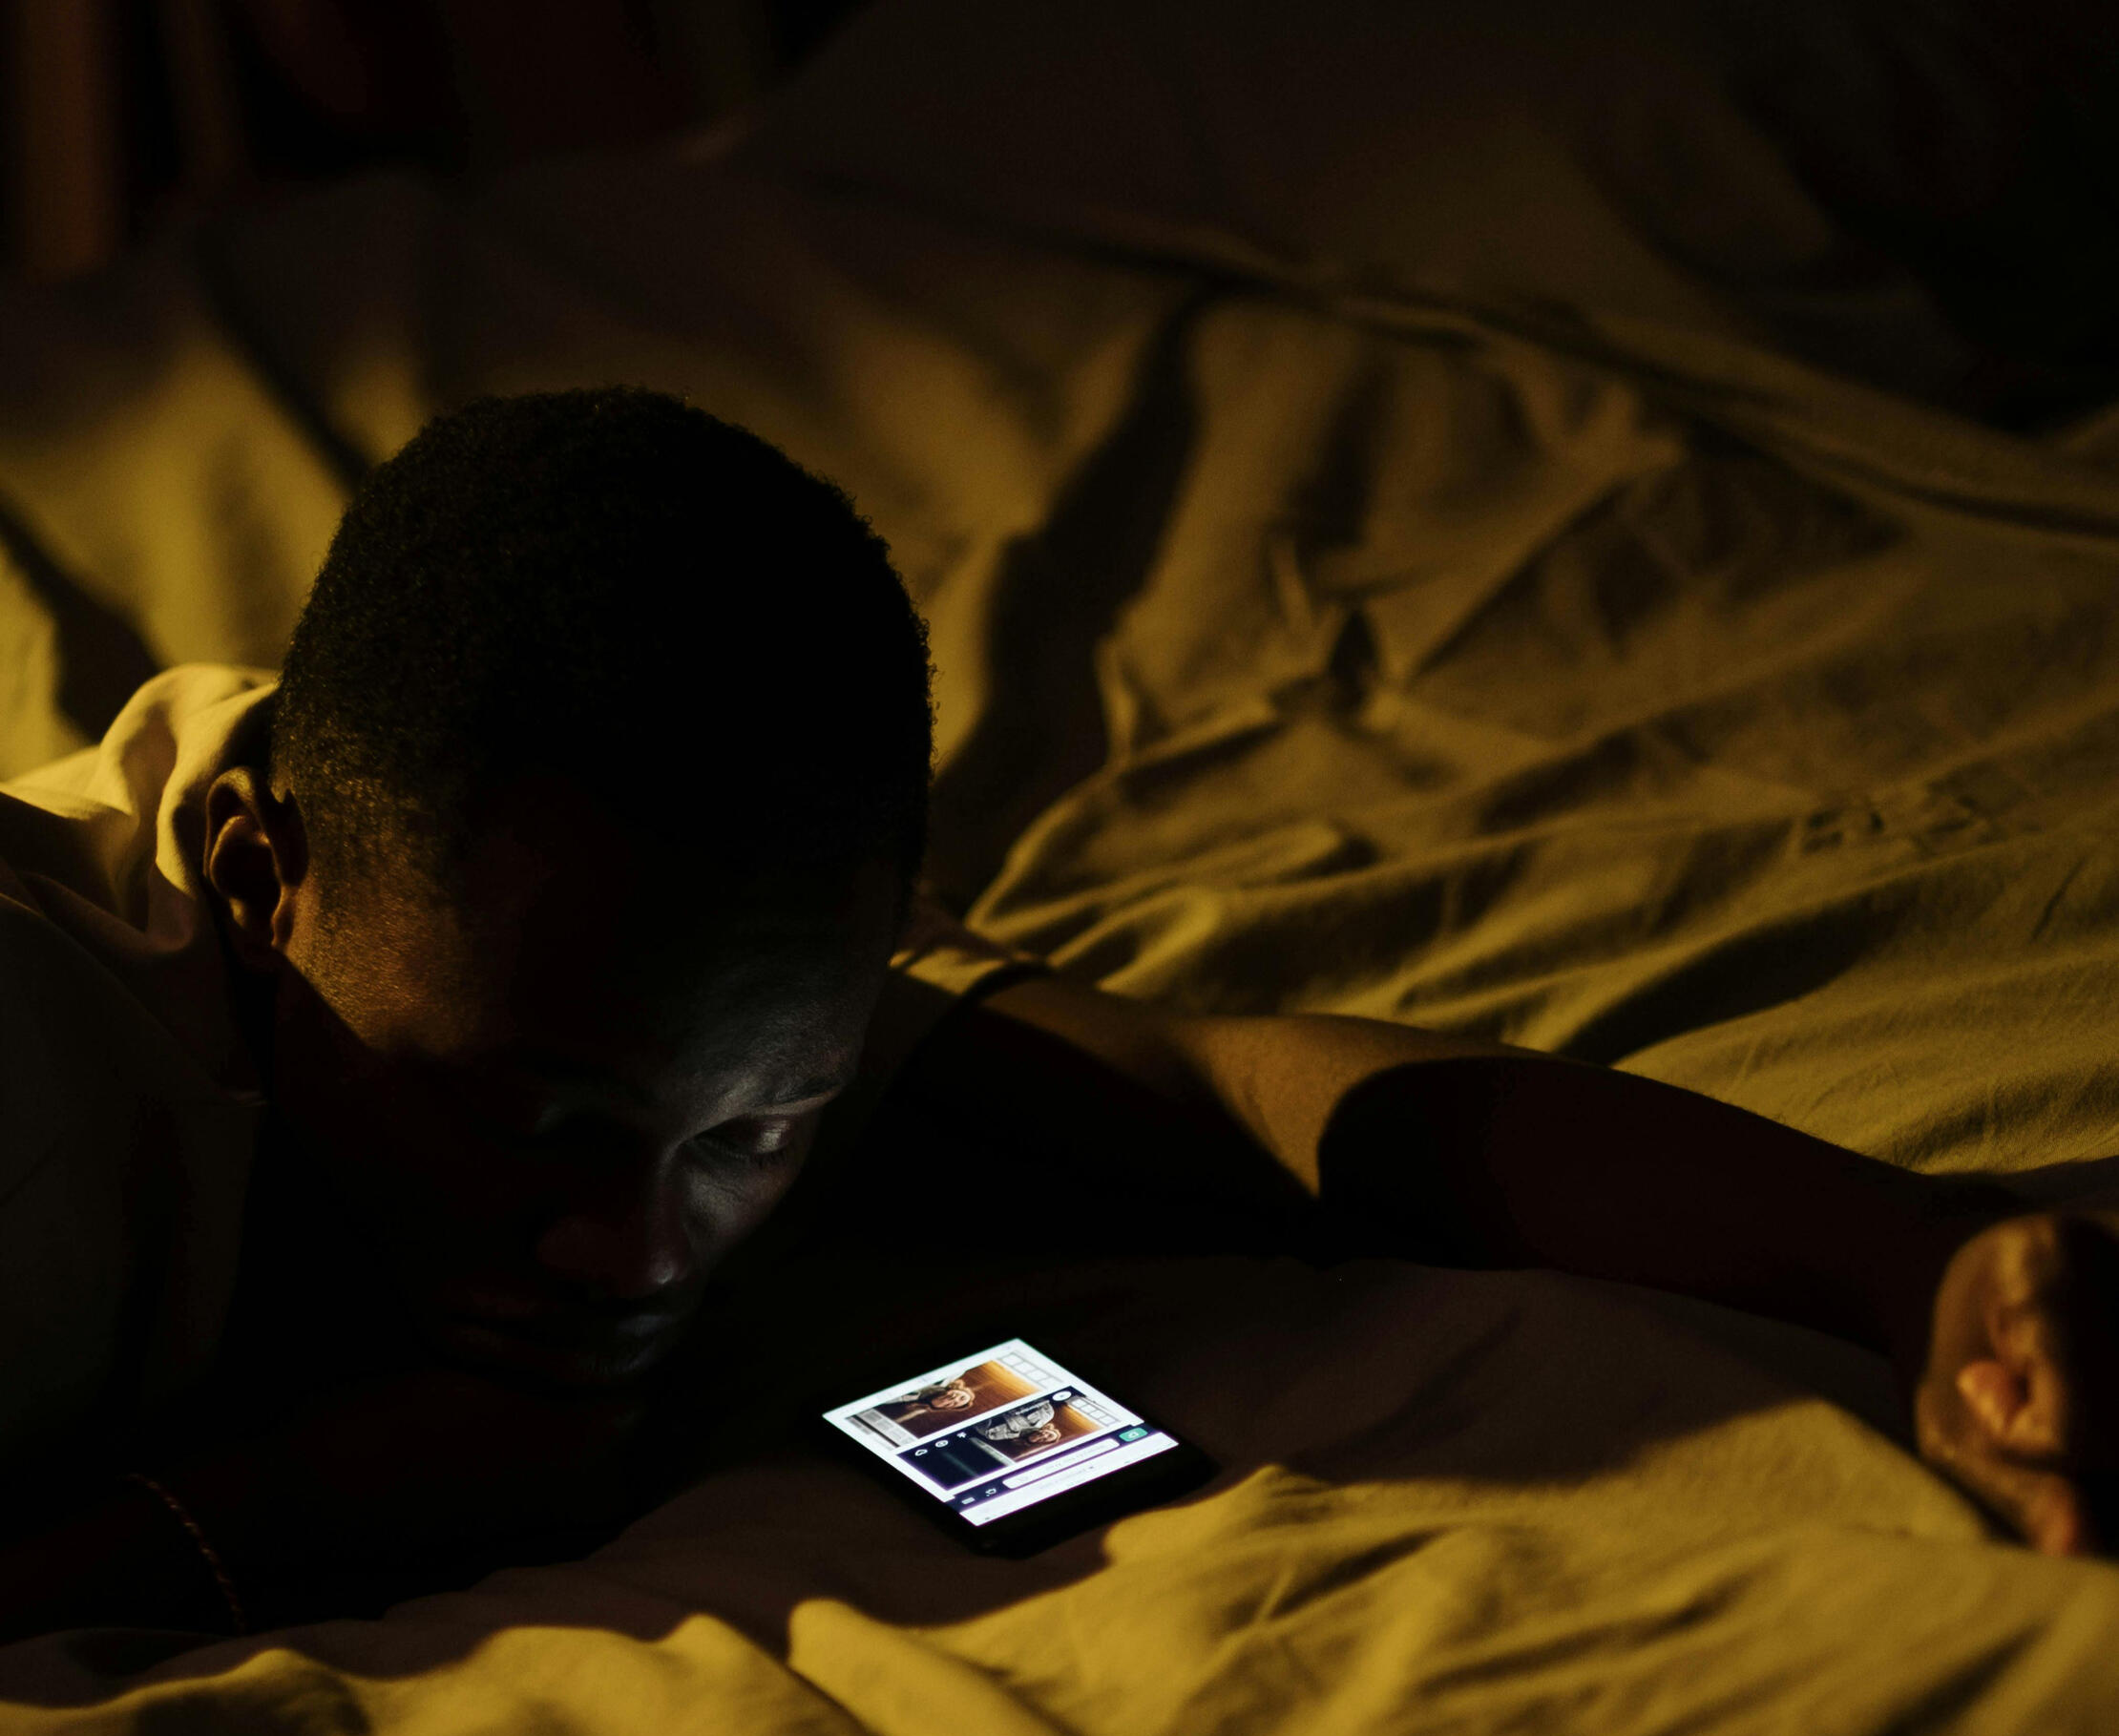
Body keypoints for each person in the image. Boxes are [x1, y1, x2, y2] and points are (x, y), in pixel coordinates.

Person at [0, 387, 2111, 1642]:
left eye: (755, 1131)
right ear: (261, 882)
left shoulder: (632, 927)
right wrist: (288, 1509)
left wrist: (1915, 1257)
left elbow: (1236, 1094)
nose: (638, 1258)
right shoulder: (44, 1079)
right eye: (530, 1124)